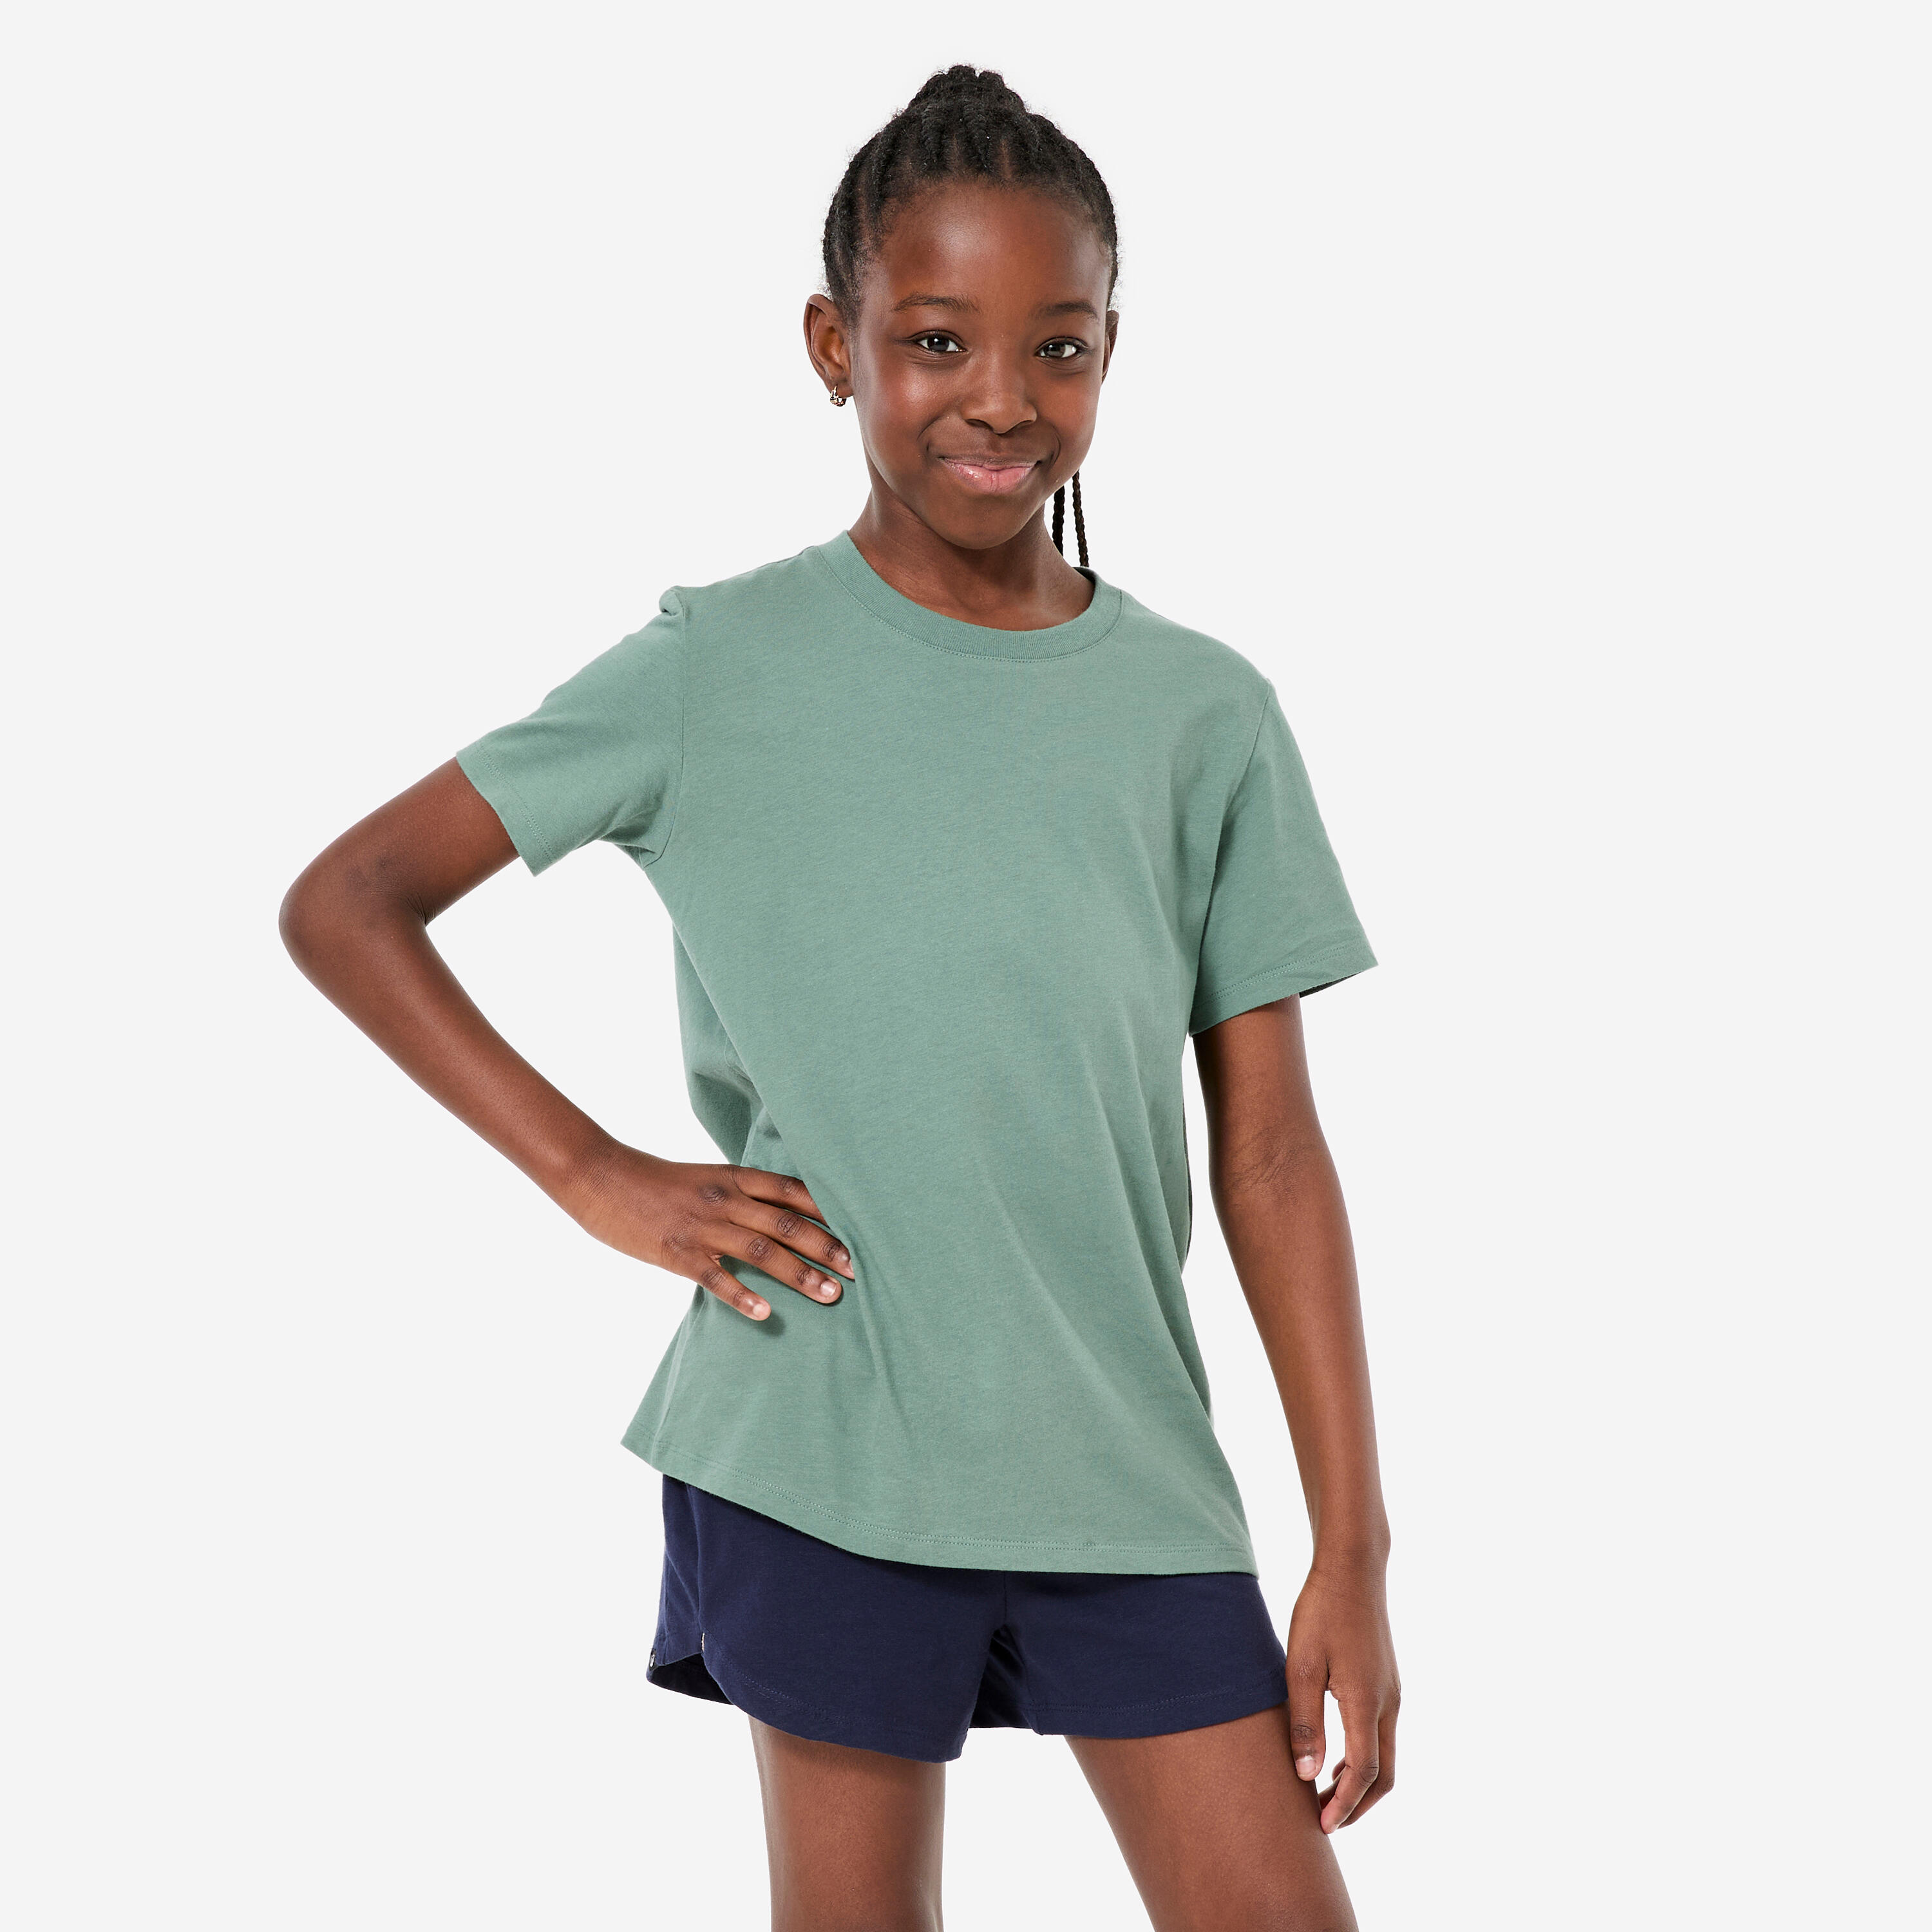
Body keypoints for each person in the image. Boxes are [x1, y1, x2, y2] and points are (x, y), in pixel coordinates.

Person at [280, 64, 1399, 1932]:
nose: (1000, 398)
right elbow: (350, 901)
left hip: (1122, 1461)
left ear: (1112, 353)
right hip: (823, 1443)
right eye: (936, 340)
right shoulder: (715, 665)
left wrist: (1350, 1545)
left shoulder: (1203, 714)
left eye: (1057, 347)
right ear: (835, 345)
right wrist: (598, 1177)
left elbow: (1272, 1153)